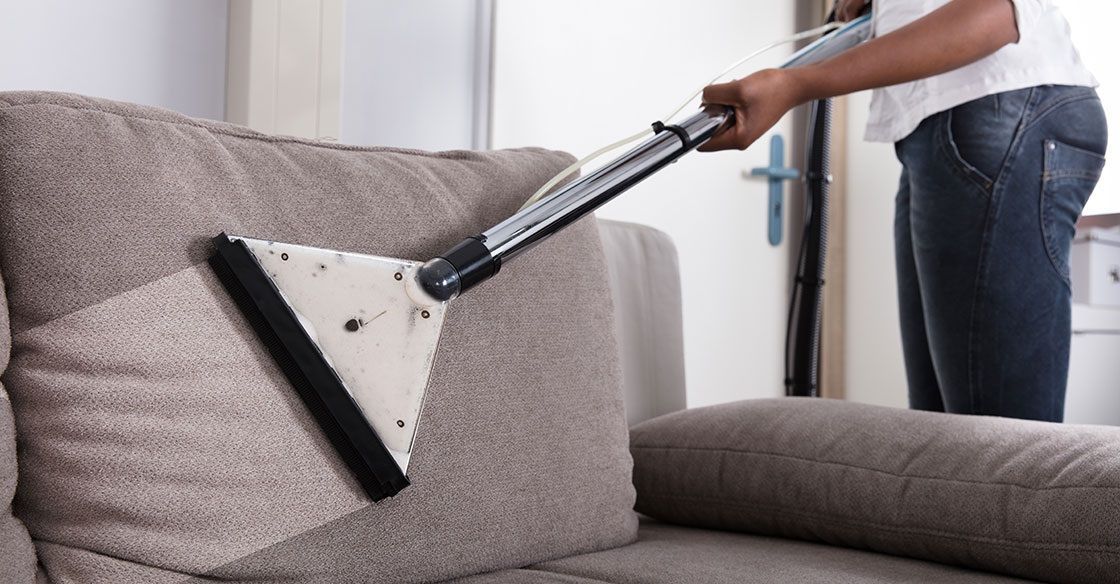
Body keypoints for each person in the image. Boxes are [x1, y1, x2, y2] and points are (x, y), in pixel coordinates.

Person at [700, 0, 1106, 422]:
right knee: (942, 433)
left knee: (996, 444)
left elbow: (999, 10)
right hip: (947, 125)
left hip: (996, 107)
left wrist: (797, 85)